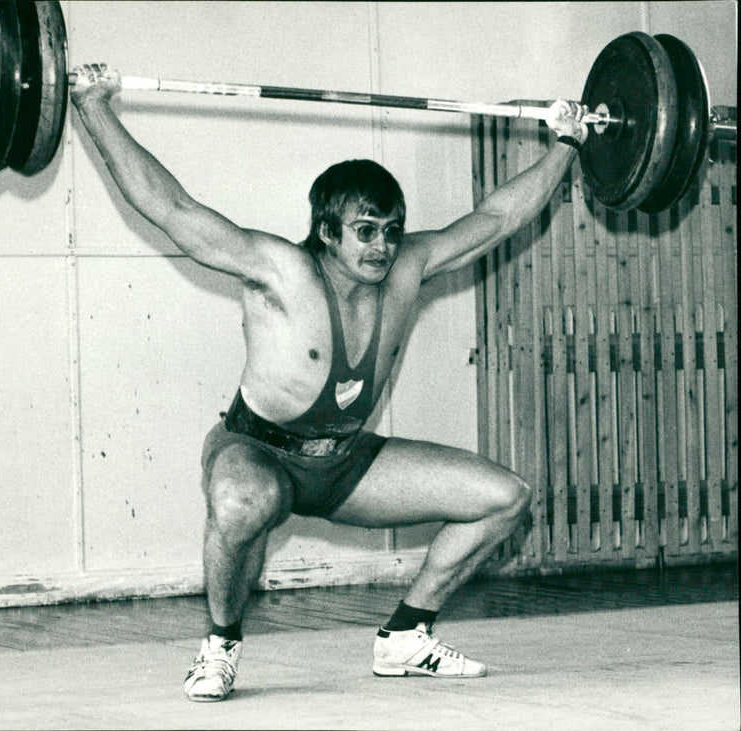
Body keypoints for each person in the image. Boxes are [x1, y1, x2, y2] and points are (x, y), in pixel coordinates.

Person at [70, 63, 587, 702]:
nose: (382, 247)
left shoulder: (408, 269)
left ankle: (406, 635)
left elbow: (497, 218)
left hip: (344, 463)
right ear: (326, 232)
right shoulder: (277, 272)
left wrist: (568, 143)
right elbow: (169, 209)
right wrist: (94, 108)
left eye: (391, 232)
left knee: (505, 496)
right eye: (365, 232)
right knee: (241, 503)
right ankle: (220, 646)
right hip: (257, 452)